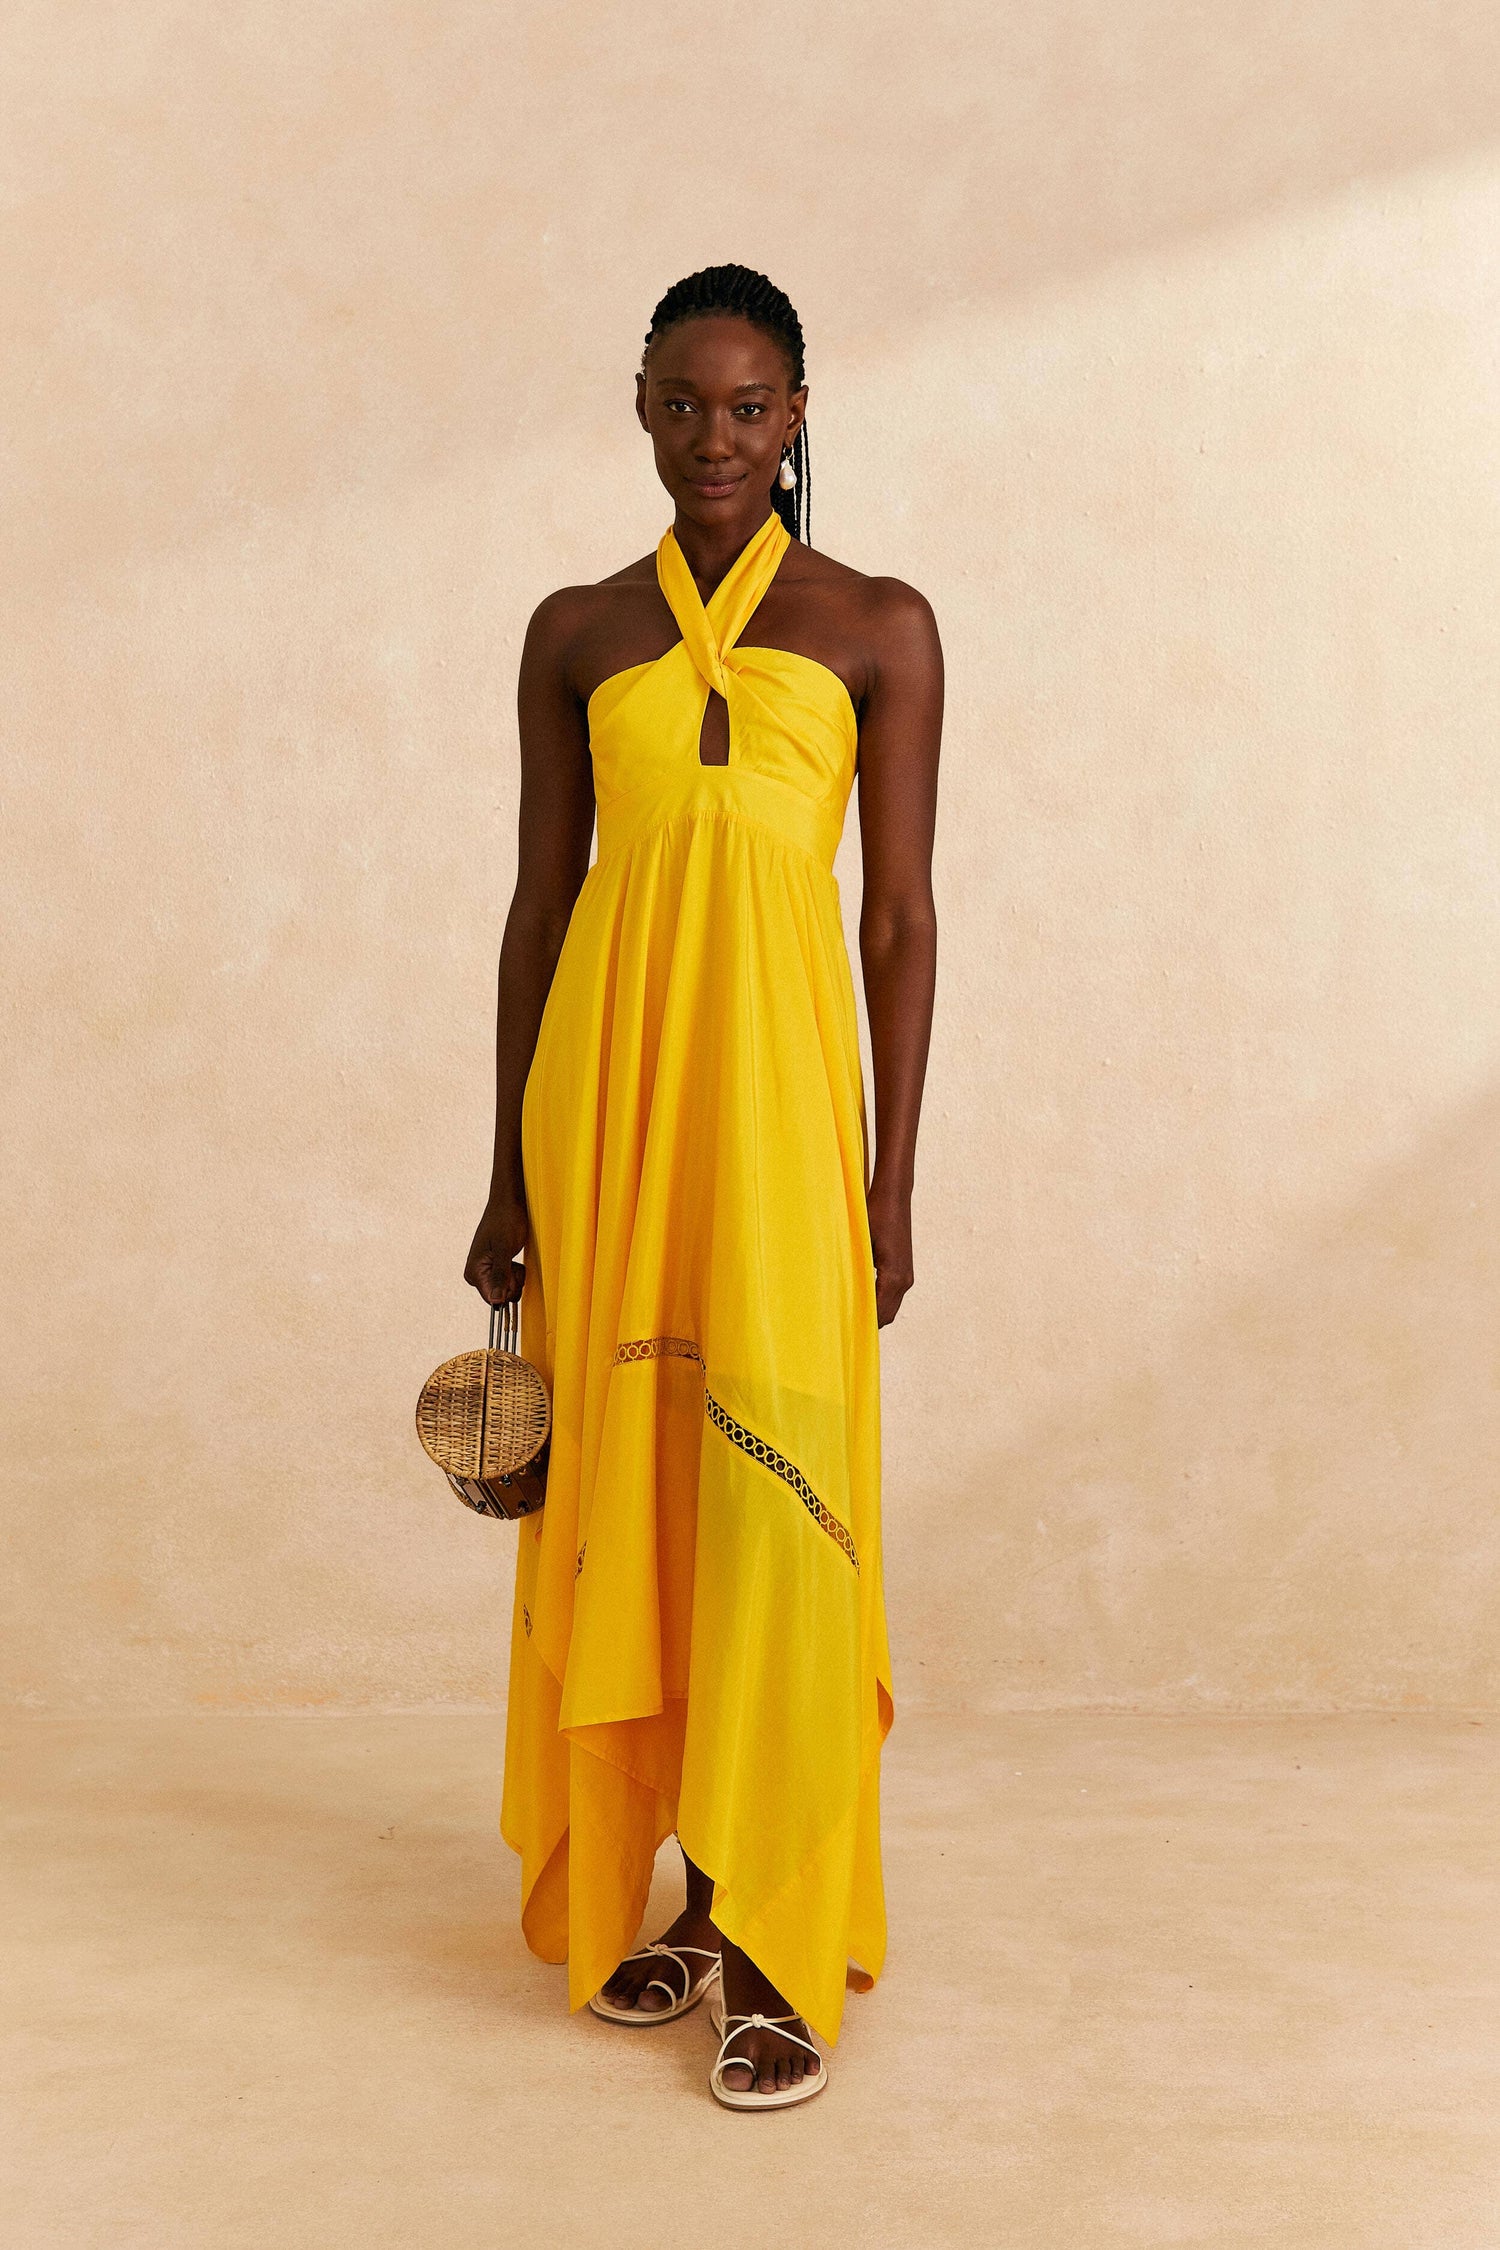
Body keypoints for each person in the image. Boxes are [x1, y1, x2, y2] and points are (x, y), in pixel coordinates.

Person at [465, 264, 942, 2110]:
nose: (714, 438)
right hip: (610, 1115)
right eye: (682, 402)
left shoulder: (879, 624)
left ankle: (773, 1932)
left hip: (784, 1122)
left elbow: (897, 921)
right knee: (642, 1488)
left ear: (797, 415)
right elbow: (540, 908)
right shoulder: (577, 630)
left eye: (749, 406)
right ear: (642, 410)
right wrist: (505, 1169)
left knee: (776, 1503)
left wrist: (891, 1185)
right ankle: (680, 1888)